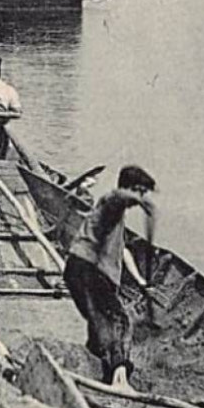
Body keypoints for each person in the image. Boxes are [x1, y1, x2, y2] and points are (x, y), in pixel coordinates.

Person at [64, 166, 158, 389]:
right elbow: (117, 196)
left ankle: (95, 370)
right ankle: (120, 381)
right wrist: (141, 201)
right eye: (140, 192)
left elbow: (123, 251)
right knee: (120, 322)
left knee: (99, 324)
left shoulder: (117, 218)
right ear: (132, 189)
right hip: (89, 268)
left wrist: (141, 281)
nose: (141, 198)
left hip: (80, 269)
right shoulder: (111, 204)